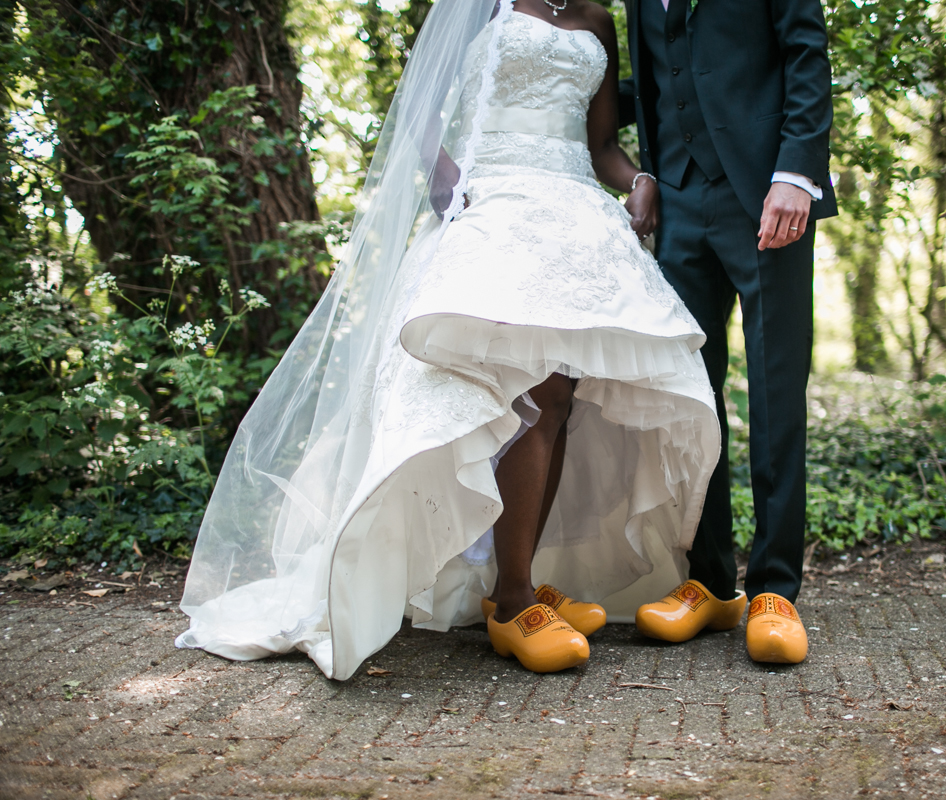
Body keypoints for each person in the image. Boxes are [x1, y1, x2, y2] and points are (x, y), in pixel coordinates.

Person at [175, 0, 720, 678]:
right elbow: (419, 113)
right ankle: (514, 600)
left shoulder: (597, 18)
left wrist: (639, 180)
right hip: (491, 205)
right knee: (522, 396)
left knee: (562, 399)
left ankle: (515, 582)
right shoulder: (478, 6)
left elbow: (600, 145)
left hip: (573, 215)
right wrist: (448, 188)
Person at [621, 0, 838, 663]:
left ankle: (775, 590)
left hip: (768, 193)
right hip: (680, 205)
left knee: (775, 397)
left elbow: (806, 52)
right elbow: (656, 78)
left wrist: (796, 174)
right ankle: (711, 583)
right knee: (689, 398)